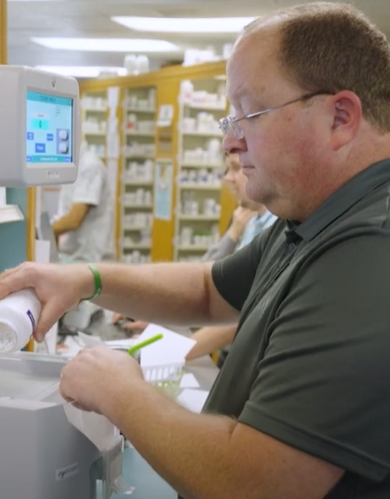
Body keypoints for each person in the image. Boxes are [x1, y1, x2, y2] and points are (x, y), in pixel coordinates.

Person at [0, 2, 390, 499]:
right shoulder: (326, 214)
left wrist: (118, 389)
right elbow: (208, 290)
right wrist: (86, 280)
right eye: (229, 117)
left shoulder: (388, 253)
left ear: (340, 117)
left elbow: (254, 489)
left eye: (248, 115)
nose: (229, 141)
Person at [117, 153, 277, 362]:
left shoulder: (276, 228)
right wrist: (162, 319)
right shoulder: (250, 220)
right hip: (235, 354)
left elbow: (246, 313)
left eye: (236, 168)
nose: (228, 178)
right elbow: (215, 287)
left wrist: (171, 351)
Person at [51, 144, 114, 264]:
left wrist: (44, 231)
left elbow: (75, 219)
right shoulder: (70, 168)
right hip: (75, 257)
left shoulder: (90, 166)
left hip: (90, 260)